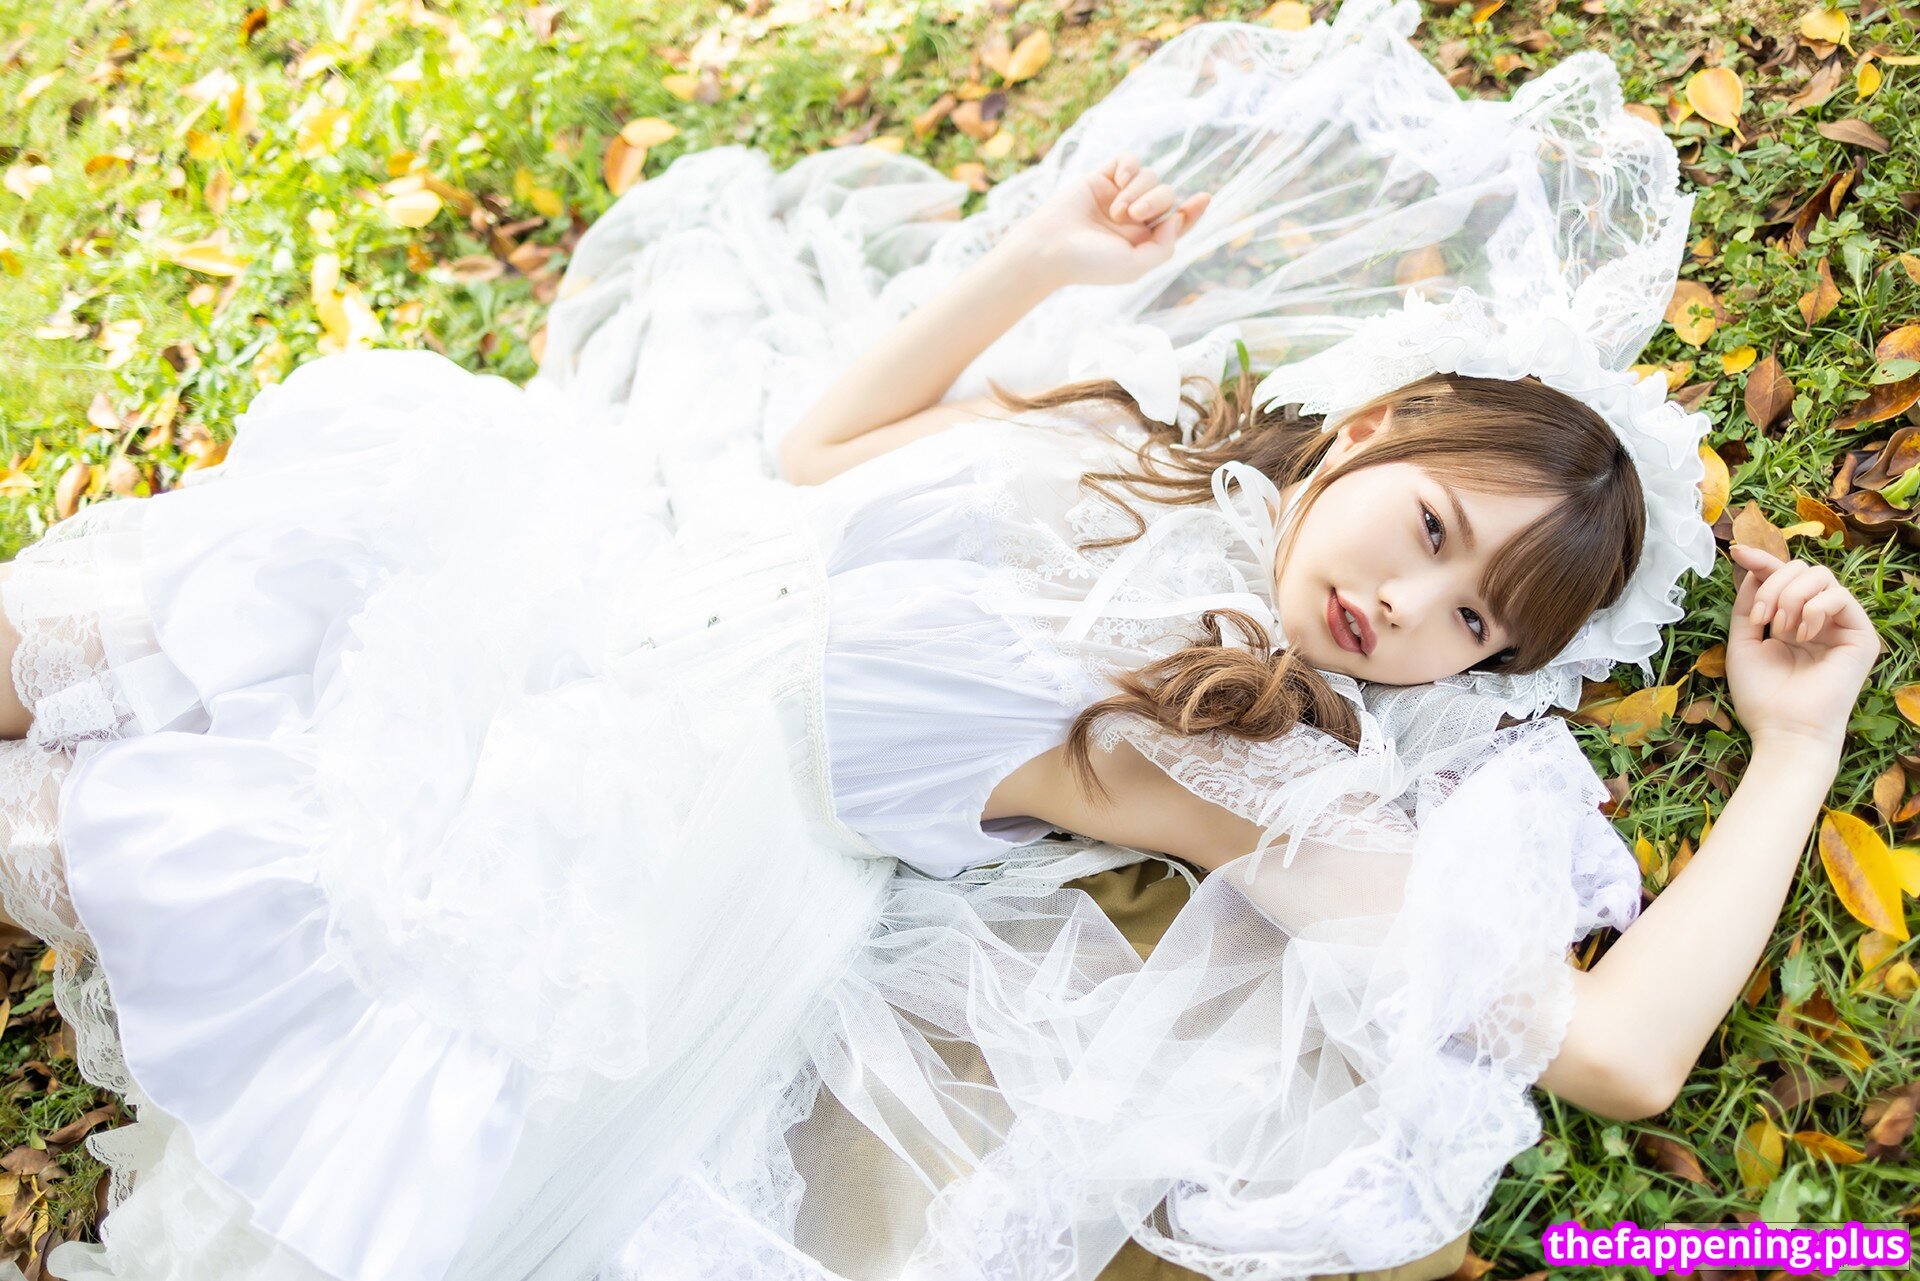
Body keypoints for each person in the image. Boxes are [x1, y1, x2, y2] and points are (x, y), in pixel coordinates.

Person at [0, 2, 1882, 1279]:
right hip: (594, 591)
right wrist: (1041, 261)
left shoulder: (1245, 751)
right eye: (1437, 529)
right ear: (1378, 429)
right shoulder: (1149, 424)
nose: (1404, 606)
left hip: (650, 851)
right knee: (145, 626)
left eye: (1471, 625)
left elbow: (1618, 1051)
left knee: (145, 841)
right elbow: (820, 457)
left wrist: (1794, 745)